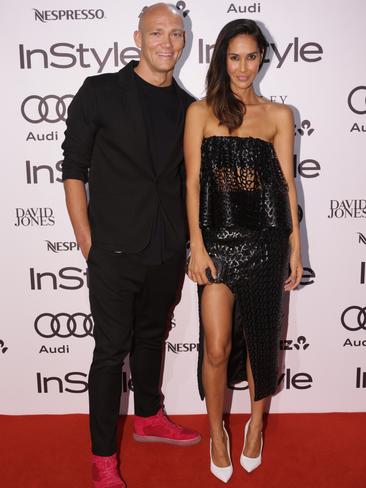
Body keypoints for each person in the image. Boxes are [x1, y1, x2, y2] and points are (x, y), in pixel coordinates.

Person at [62, 4, 200, 487]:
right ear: (138, 37)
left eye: (176, 34)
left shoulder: (188, 108)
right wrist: (86, 239)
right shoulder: (100, 92)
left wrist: (189, 245)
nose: (168, 42)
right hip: (113, 250)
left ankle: (147, 416)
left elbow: (189, 183)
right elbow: (74, 168)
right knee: (109, 351)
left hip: (166, 248)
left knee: (151, 338)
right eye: (157, 32)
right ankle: (103, 458)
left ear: (184, 42)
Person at [184, 19, 303, 482]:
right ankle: (217, 432)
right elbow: (192, 181)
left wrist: (295, 247)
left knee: (260, 343)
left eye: (251, 57)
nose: (243, 67)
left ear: (262, 59)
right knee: (216, 346)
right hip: (216, 241)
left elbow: (287, 185)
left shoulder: (278, 115)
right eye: (234, 57)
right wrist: (196, 243)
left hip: (265, 242)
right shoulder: (200, 112)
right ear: (221, 60)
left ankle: (254, 425)